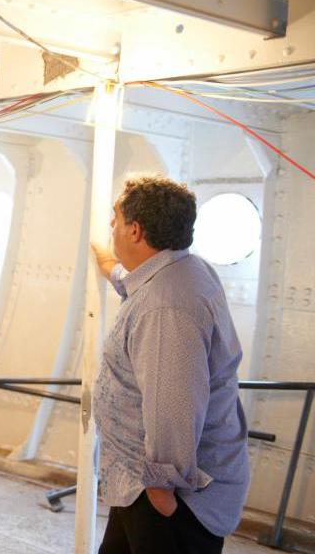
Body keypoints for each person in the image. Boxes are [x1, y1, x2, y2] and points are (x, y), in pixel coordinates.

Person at [91, 174, 250, 554]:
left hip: (168, 498)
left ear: (135, 230)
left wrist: (161, 488)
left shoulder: (166, 308)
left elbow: (173, 404)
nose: (110, 226)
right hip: (138, 484)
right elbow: (137, 284)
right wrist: (110, 265)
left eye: (115, 218)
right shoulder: (182, 270)